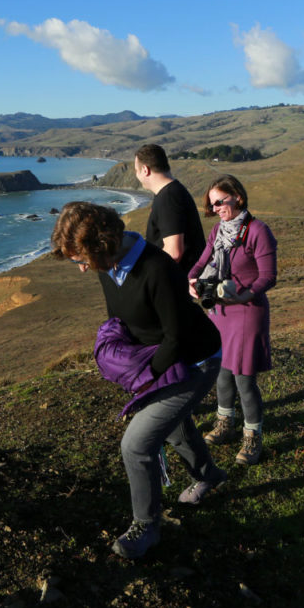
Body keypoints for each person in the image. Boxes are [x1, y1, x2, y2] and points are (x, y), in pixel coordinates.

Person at [51, 201, 227, 559]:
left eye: (81, 260)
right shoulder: (109, 265)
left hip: (195, 360)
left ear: (102, 246)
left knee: (136, 444)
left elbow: (175, 337)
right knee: (176, 427)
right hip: (162, 357)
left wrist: (144, 381)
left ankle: (146, 526)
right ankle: (209, 475)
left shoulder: (158, 269)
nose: (83, 269)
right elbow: (118, 317)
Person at [188, 175, 277, 466]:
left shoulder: (258, 231)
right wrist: (192, 278)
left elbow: (268, 276)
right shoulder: (218, 231)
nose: (215, 208)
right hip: (221, 312)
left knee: (243, 377)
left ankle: (253, 436)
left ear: (237, 196)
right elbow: (202, 261)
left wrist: (244, 296)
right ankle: (225, 423)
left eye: (220, 202)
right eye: (211, 204)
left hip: (247, 311)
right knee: (222, 370)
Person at [134, 144, 206, 273]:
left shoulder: (168, 197)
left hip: (181, 282)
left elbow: (174, 253)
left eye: (136, 171)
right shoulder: (170, 192)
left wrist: (147, 275)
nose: (137, 176)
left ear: (145, 170)